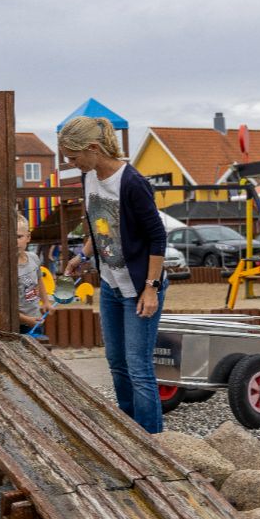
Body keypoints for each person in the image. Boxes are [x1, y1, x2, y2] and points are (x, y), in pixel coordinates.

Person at [59, 116, 167, 434]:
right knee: (117, 362)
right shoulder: (89, 177)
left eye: (73, 157)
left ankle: (151, 438)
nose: (71, 163)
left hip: (140, 285)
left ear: (93, 148)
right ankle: (128, 430)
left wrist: (151, 287)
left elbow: (157, 237)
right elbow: (100, 225)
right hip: (110, 284)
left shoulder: (132, 183)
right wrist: (82, 256)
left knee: (138, 367)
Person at [16, 215, 52, 334]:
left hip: (35, 317)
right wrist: (27, 320)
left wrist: (46, 301)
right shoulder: (6, 269)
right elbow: (3, 308)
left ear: (28, 237)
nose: (15, 241)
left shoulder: (33, 258)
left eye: (19, 237)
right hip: (17, 323)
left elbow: (39, 280)